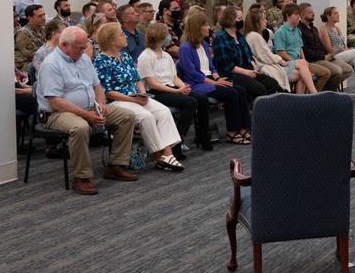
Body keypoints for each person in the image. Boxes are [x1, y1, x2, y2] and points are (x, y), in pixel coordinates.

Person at [36, 26, 138, 195]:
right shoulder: (51, 64)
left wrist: (101, 103)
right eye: (79, 48)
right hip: (56, 113)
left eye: (85, 47)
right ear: (64, 45)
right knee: (80, 127)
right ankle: (81, 178)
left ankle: (116, 165)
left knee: (126, 116)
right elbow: (55, 101)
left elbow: (97, 85)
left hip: (89, 108)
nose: (83, 51)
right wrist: (87, 115)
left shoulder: (83, 59)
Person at [93, 23, 185, 172]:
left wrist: (142, 94)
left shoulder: (125, 56)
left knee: (163, 111)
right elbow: (107, 92)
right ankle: (159, 155)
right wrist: (133, 99)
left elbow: (137, 79)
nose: (125, 37)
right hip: (117, 101)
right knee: (146, 116)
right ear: (111, 40)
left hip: (136, 97)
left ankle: (167, 154)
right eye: (121, 34)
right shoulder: (101, 61)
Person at [137, 22, 214, 151]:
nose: (169, 37)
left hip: (172, 88)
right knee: (190, 102)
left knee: (202, 99)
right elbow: (152, 83)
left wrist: (184, 87)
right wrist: (178, 91)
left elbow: (174, 77)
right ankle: (177, 140)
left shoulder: (166, 55)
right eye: (166, 34)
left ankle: (203, 136)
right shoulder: (145, 57)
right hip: (157, 92)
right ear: (159, 37)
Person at [179, 12, 252, 144]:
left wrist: (218, 79)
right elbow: (192, 74)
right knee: (231, 93)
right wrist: (214, 82)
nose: (209, 28)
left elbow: (212, 67)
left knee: (240, 90)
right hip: (196, 83)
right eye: (206, 25)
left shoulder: (204, 45)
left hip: (210, 80)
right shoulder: (185, 47)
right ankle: (231, 132)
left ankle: (242, 127)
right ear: (197, 28)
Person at [212, 6, 283, 101]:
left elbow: (249, 55)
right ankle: (258, 112)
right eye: (239, 19)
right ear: (230, 20)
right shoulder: (220, 38)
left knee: (272, 84)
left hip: (247, 70)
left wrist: (255, 68)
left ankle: (265, 110)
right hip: (232, 74)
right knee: (259, 89)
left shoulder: (239, 35)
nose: (242, 21)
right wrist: (246, 72)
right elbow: (227, 66)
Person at [243, 6, 317, 94]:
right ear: (256, 22)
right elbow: (266, 56)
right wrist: (279, 60)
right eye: (263, 19)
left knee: (303, 67)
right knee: (303, 72)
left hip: (270, 63)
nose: (266, 21)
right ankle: (312, 94)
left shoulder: (254, 35)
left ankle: (305, 98)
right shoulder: (255, 36)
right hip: (267, 66)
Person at [274, 3, 333, 92]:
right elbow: (280, 52)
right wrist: (295, 62)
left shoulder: (297, 31)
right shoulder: (280, 32)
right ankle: (314, 95)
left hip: (300, 63)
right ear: (287, 15)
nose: (299, 17)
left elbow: (300, 48)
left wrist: (304, 60)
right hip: (287, 63)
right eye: (296, 14)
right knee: (304, 74)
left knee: (324, 72)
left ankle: (303, 100)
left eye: (299, 14)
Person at [296, 2, 353, 92]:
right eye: (310, 12)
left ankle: (327, 90)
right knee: (337, 71)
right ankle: (328, 94)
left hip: (324, 56)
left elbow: (320, 45)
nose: (313, 13)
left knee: (348, 69)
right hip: (314, 59)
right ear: (302, 15)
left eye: (312, 11)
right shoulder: (299, 29)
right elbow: (305, 51)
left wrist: (328, 55)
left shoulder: (313, 28)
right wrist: (323, 56)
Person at [14, 4, 47, 71]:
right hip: (27, 68)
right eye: (40, 16)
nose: (43, 18)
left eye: (44, 15)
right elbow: (35, 56)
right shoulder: (23, 33)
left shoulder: (43, 30)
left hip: (41, 64)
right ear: (30, 18)